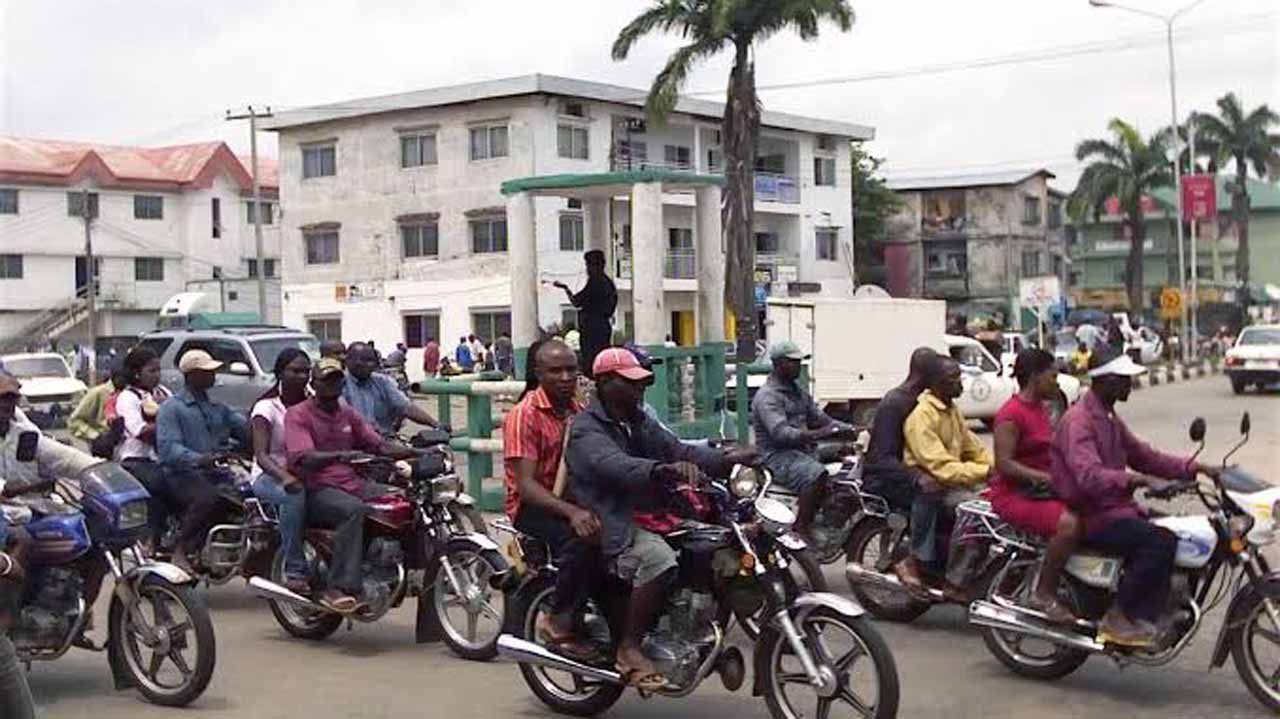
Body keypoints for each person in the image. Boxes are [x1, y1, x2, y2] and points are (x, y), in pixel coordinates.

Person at [566, 348, 755, 689]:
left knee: (714, 544)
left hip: (651, 512)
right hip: (611, 517)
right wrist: (659, 470)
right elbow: (613, 464)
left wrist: (727, 459)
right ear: (605, 383)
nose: (639, 390)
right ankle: (629, 647)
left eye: (641, 384)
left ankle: (692, 626)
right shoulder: (586, 428)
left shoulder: (638, 421)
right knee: (659, 561)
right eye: (630, 383)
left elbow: (679, 449)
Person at [1051, 345, 1214, 646]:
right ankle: (1119, 617)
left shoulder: (1108, 417)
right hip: (1094, 514)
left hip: (1118, 508)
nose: (1130, 384)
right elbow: (1089, 475)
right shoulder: (1080, 421)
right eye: (1124, 379)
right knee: (1159, 542)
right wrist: (1140, 480)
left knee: (1179, 530)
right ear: (1107, 380)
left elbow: (1144, 456)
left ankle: (1160, 608)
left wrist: (1196, 468)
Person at [285, 357, 416, 612]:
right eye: (326, 381)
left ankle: (392, 565)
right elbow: (303, 458)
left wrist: (416, 452)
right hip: (317, 488)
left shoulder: (346, 412)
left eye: (337, 380)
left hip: (354, 483)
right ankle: (339, 587)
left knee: (403, 501)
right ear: (314, 384)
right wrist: (340, 456)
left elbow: (377, 443)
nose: (333, 386)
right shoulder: (298, 414)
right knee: (354, 510)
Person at [503, 339, 600, 660]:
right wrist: (572, 512)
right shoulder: (524, 414)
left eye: (571, 369)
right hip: (532, 505)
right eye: (555, 371)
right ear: (538, 373)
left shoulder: (579, 410)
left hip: (572, 498)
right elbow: (526, 486)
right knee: (580, 539)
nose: (565, 377)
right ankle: (557, 621)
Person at [988, 349, 1084, 623]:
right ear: (1033, 377)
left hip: (1041, 490)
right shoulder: (1011, 414)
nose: (1056, 381)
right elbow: (1004, 464)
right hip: (1014, 494)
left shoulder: (1042, 408)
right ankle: (1043, 592)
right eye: (1051, 376)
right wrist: (1048, 479)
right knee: (1069, 524)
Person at [897, 355, 993, 599]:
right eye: (953, 378)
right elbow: (940, 466)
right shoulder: (922, 417)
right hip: (933, 486)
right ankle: (955, 581)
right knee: (976, 514)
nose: (960, 383)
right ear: (936, 383)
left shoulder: (952, 411)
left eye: (959, 377)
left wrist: (999, 468)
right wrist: (985, 472)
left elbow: (974, 449)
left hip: (953, 481)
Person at [156, 350, 250, 572]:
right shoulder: (172, 408)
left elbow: (245, 429)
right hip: (182, 474)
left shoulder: (218, 408)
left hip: (218, 472)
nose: (213, 375)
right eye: (207, 372)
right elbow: (169, 448)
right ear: (191, 375)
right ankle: (180, 547)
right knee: (208, 499)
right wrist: (200, 459)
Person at [750, 341, 852, 540]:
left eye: (799, 361)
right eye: (793, 362)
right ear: (779, 364)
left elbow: (822, 419)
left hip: (803, 451)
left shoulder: (798, 392)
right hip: (776, 455)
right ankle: (801, 529)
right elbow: (781, 433)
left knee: (847, 464)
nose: (798, 366)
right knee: (816, 474)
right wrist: (818, 434)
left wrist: (850, 430)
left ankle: (828, 521)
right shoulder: (768, 397)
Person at [249, 349, 312, 594]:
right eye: (295, 370)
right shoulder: (266, 407)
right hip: (270, 475)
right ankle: (293, 569)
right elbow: (262, 456)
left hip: (307, 471)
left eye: (306, 371)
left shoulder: (313, 403)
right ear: (280, 373)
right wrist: (285, 477)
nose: (302, 376)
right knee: (294, 495)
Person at [863, 347, 938, 512]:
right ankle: (922, 539)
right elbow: (881, 458)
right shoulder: (895, 403)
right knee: (936, 499)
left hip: (908, 472)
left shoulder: (924, 401)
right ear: (927, 374)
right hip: (885, 479)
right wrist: (917, 476)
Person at [114, 346, 173, 543]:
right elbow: (139, 432)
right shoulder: (128, 397)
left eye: (159, 370)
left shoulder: (163, 392)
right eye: (151, 371)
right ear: (136, 372)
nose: (157, 375)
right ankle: (151, 538)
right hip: (137, 459)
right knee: (161, 484)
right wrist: (165, 414)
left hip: (164, 456)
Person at [342, 342, 437, 436]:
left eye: (372, 361)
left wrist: (435, 424)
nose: (370, 364)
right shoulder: (339, 384)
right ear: (348, 361)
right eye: (364, 360)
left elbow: (405, 407)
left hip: (384, 440)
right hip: (353, 442)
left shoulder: (382, 381)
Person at [554, 250, 618, 376]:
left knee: (592, 363)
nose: (588, 269)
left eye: (590, 265)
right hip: (601, 327)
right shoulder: (607, 283)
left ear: (598, 265)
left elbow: (577, 302)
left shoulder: (596, 282)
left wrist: (566, 289)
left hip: (593, 329)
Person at [67, 365, 127, 444]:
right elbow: (74, 421)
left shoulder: (135, 393)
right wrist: (96, 436)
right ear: (115, 377)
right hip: (106, 448)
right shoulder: (98, 393)